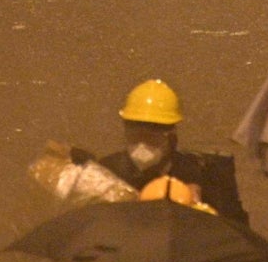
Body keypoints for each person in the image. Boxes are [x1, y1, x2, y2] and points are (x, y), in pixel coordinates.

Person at [74, 79, 251, 223]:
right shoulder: (109, 173)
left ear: (171, 138)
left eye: (151, 138)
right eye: (134, 137)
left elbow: (230, 230)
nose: (141, 146)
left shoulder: (200, 174)